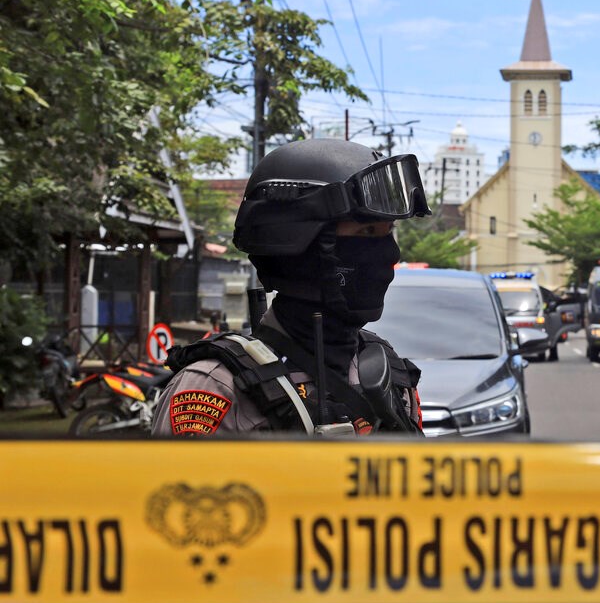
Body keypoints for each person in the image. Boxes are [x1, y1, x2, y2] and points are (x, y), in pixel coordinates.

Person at [151, 139, 431, 437]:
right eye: (366, 231)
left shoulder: (389, 373)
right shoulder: (215, 388)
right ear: (300, 248)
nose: (389, 253)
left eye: (389, 232)